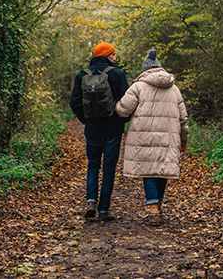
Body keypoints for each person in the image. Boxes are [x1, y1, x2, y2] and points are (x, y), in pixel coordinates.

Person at [115, 49, 189, 226]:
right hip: (168, 138)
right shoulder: (175, 89)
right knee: (162, 169)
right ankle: (159, 204)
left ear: (145, 70)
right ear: (160, 69)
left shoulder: (138, 87)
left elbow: (123, 110)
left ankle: (153, 208)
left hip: (144, 137)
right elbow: (183, 118)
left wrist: (116, 104)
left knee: (148, 171)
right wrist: (184, 139)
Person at [70, 42, 129, 221]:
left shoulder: (82, 76)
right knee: (109, 169)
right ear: (107, 55)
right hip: (113, 129)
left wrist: (86, 120)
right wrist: (121, 120)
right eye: (113, 54)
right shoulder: (117, 75)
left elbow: (74, 102)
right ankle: (104, 210)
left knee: (93, 165)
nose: (114, 58)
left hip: (92, 129)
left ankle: (90, 202)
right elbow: (127, 102)